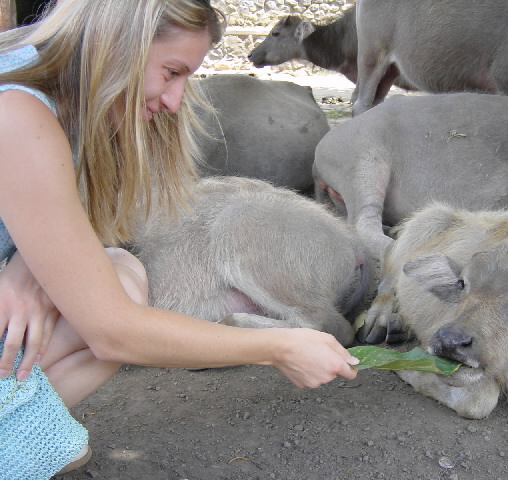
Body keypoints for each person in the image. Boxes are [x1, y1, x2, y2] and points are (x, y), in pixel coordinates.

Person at [0, 1, 359, 477]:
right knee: (116, 300)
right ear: (117, 44)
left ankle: (18, 428)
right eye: (171, 72)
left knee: (123, 271)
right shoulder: (19, 111)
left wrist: (26, 261)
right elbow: (113, 332)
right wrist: (278, 347)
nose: (174, 101)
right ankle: (22, 437)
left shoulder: (46, 93)